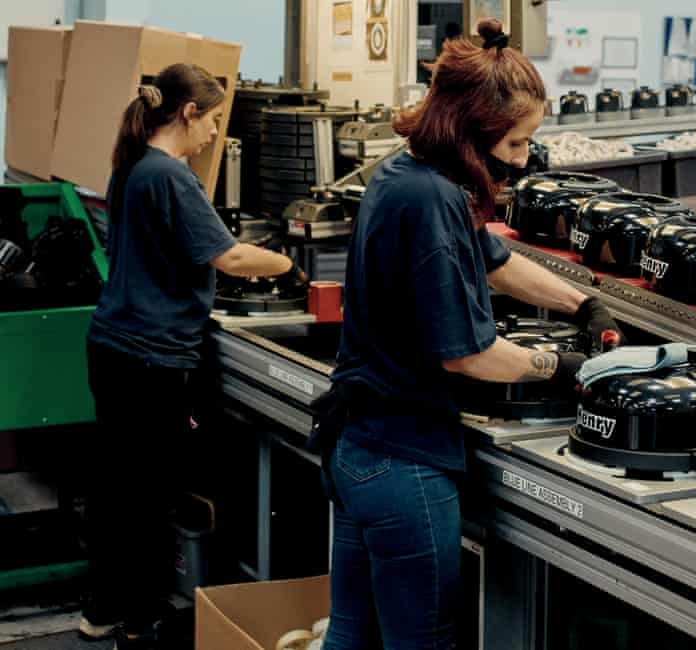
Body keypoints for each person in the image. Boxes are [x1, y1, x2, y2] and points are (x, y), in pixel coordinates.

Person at [322, 19, 621, 650]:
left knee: (351, 636)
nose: (522, 159)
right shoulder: (430, 200)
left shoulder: (407, 175)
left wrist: (584, 305)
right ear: (470, 133)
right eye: (515, 143)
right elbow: (468, 355)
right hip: (405, 466)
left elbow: (494, 261)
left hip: (358, 448)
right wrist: (560, 367)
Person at [80, 63, 305, 650]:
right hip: (151, 357)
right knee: (150, 498)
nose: (213, 133)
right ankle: (141, 626)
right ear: (187, 113)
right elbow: (231, 258)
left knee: (118, 489)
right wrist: (290, 263)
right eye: (212, 119)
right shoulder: (171, 176)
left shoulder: (131, 166)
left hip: (113, 346)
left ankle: (103, 610)